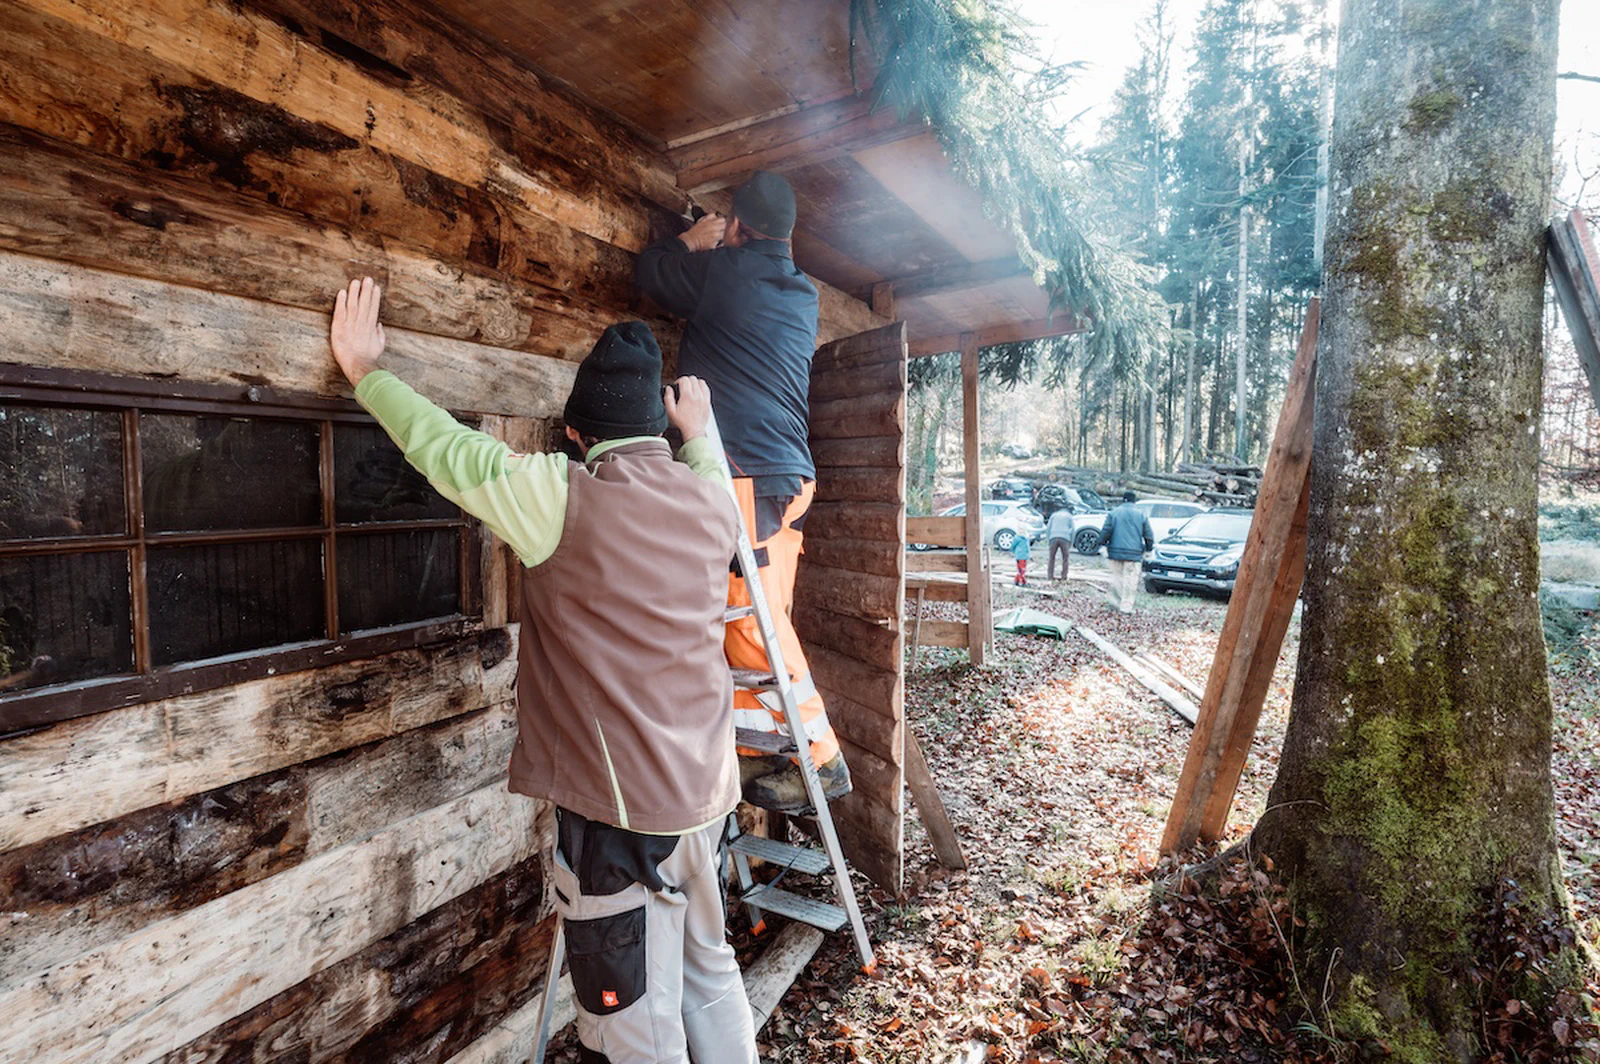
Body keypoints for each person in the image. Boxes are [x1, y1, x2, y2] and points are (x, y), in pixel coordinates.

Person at [328, 278, 757, 1064]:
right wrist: (699, 432)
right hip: (706, 795)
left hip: (621, 822)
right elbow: (708, 470)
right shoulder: (711, 501)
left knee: (637, 1030)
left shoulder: (559, 497)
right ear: (656, 430)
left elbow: (447, 449)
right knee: (709, 974)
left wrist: (365, 371)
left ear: (575, 434)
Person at [635, 170, 851, 814]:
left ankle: (822, 759)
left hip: (749, 475)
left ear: (736, 227)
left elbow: (651, 273)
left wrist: (690, 241)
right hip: (788, 476)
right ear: (788, 237)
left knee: (753, 620)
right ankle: (759, 747)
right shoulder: (802, 292)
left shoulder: (725, 272)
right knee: (758, 616)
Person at [1099, 491, 1155, 614]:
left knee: (1117, 578)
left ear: (1123, 500)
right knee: (1130, 581)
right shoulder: (1141, 514)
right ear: (1134, 501)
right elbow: (1148, 535)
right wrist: (1149, 549)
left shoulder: (1114, 513)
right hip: (1134, 554)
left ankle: (1115, 603)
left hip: (1115, 553)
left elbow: (1106, 530)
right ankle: (1126, 606)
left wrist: (1102, 544)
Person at [1045, 509, 1073, 581]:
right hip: (1065, 538)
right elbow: (1073, 530)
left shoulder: (1053, 515)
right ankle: (1064, 577)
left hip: (1053, 538)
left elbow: (1048, 528)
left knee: (1051, 558)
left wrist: (1048, 539)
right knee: (1065, 558)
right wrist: (1071, 542)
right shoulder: (1069, 516)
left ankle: (1050, 577)